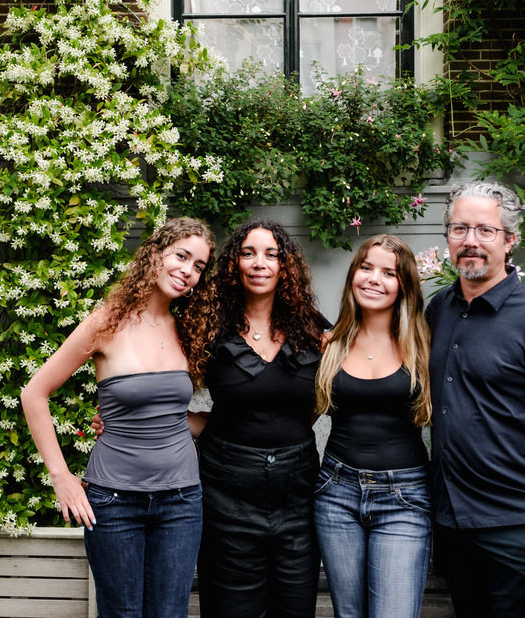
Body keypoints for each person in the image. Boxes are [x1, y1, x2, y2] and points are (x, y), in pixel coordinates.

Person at [21, 217, 216, 618]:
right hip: (113, 500)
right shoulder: (106, 322)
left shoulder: (188, 329)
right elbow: (34, 394)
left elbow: (176, 416)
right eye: (182, 256)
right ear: (155, 254)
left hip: (182, 501)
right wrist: (62, 478)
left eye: (198, 266)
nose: (188, 271)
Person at [426, 182, 525, 618]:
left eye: (485, 230)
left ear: (510, 240)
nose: (470, 241)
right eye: (460, 229)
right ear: (447, 237)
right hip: (454, 526)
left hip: (519, 530)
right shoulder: (438, 309)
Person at [194, 218, 326, 618]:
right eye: (248, 253)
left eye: (271, 254)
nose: (259, 262)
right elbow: (159, 380)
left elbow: (344, 387)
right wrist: (129, 415)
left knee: (295, 609)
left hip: (297, 497)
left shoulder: (315, 330)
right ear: (234, 264)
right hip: (226, 493)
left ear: (286, 266)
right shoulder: (207, 328)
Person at [313, 234, 432, 618]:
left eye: (389, 273)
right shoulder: (329, 344)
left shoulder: (425, 343)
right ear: (353, 275)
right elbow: (298, 414)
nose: (373, 279)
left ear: (404, 286)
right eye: (366, 268)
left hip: (405, 499)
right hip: (336, 492)